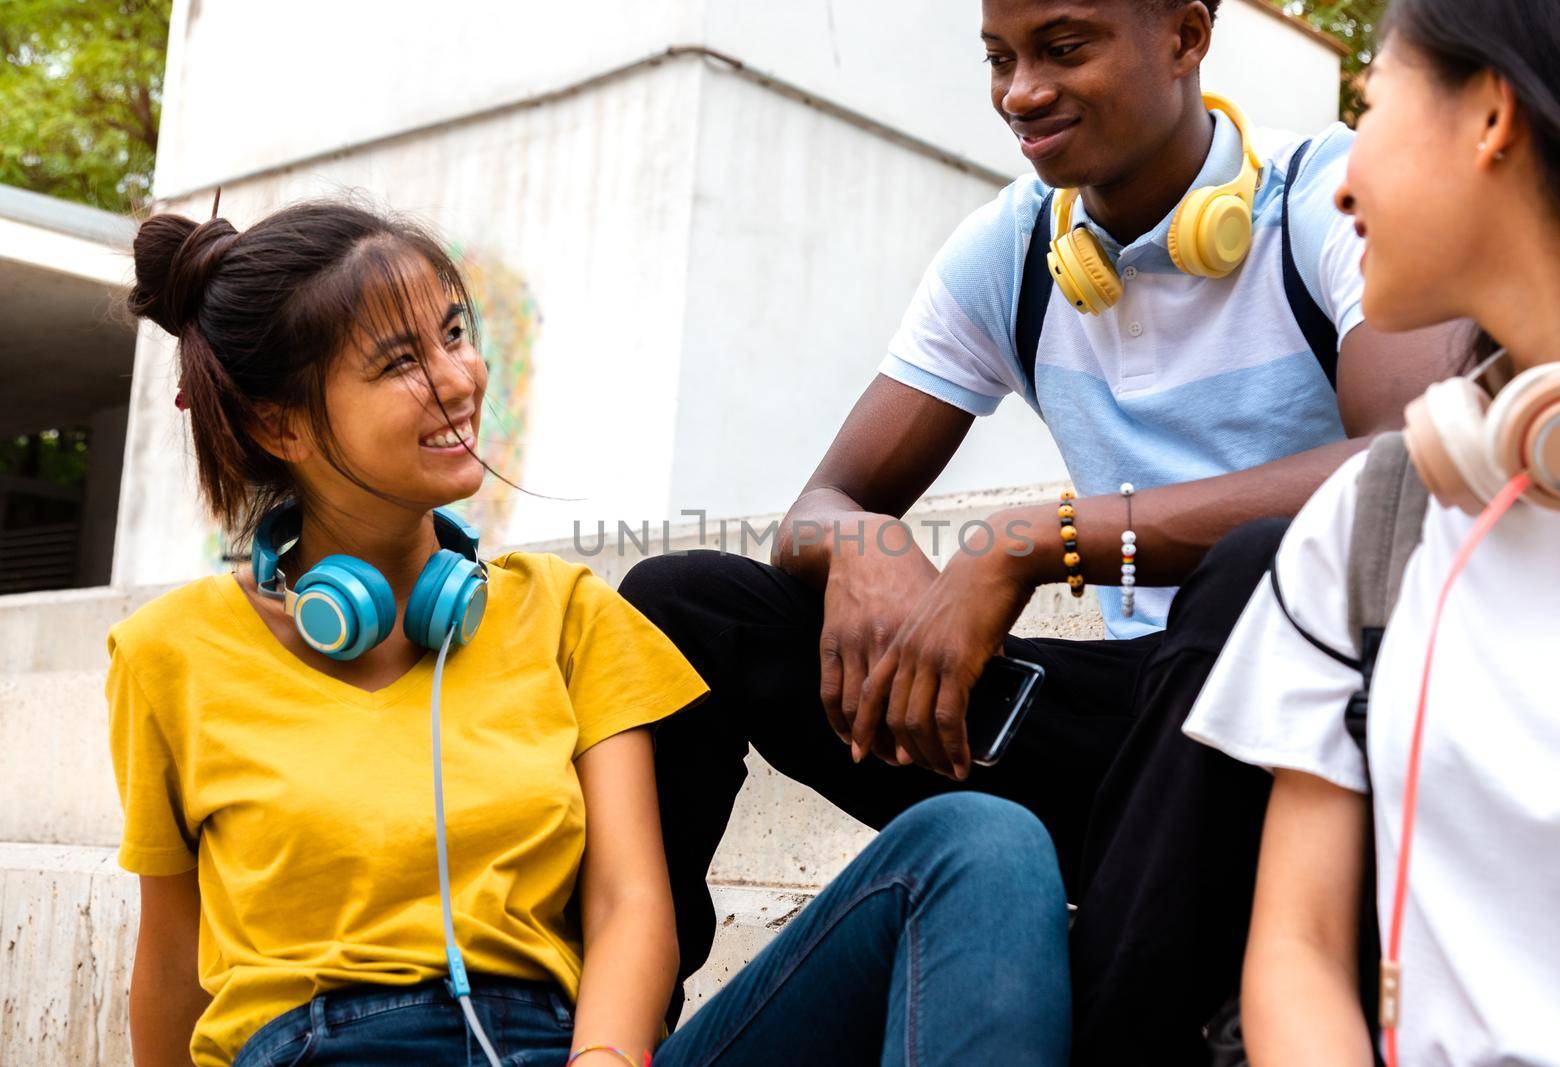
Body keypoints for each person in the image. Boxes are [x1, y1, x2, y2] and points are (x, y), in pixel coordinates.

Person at [618, 0, 1463, 1061]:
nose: (1020, 92)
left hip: (1284, 726)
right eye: (999, 58)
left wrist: (1035, 540)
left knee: (1252, 577)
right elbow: (822, 504)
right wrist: (861, 545)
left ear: (1187, 37)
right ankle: (614, 1022)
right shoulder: (1013, 248)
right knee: (682, 603)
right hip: (1102, 729)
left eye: (1063, 49)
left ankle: (1132, 1006)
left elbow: (1402, 464)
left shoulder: (1330, 195)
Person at [110, 202, 1072, 1067]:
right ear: (279, 427)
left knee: (975, 841)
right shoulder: (174, 653)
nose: (457, 379)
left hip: (563, 1046)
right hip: (320, 1047)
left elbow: (629, 907)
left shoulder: (568, 613)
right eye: (401, 362)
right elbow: (170, 973)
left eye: (455, 333)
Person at [1183, 0, 1560, 1063]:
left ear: (1490, 116)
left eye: (1367, 107)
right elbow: (1297, 948)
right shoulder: (1374, 520)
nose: (1340, 181)